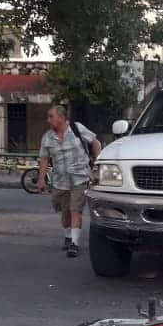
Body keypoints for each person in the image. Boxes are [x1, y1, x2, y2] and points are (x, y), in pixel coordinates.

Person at [37, 105, 101, 258]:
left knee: (75, 210)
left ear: (60, 117)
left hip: (80, 177)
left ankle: (74, 243)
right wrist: (41, 180)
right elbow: (44, 159)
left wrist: (97, 164)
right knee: (65, 213)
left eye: (50, 116)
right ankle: (67, 236)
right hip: (59, 181)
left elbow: (95, 142)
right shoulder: (47, 137)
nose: (48, 120)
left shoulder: (77, 129)